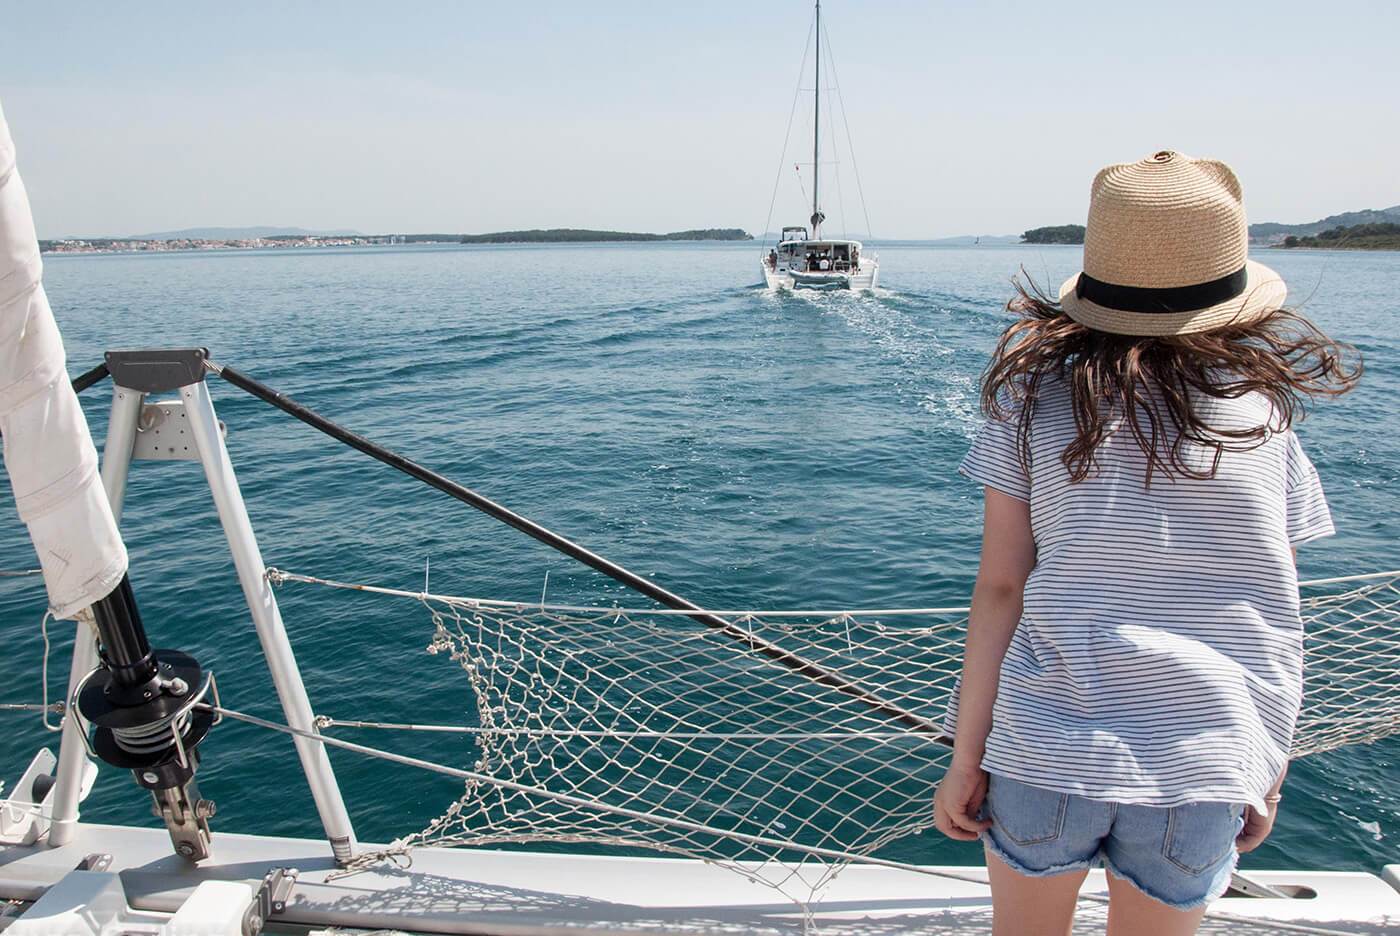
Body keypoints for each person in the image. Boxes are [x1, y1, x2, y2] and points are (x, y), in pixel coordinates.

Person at [932, 151, 1360, 936]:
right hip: (1206, 763)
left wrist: (968, 757)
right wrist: (1266, 768)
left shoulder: (1032, 404)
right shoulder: (1265, 422)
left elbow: (1000, 588)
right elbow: (1276, 614)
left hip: (1045, 748)